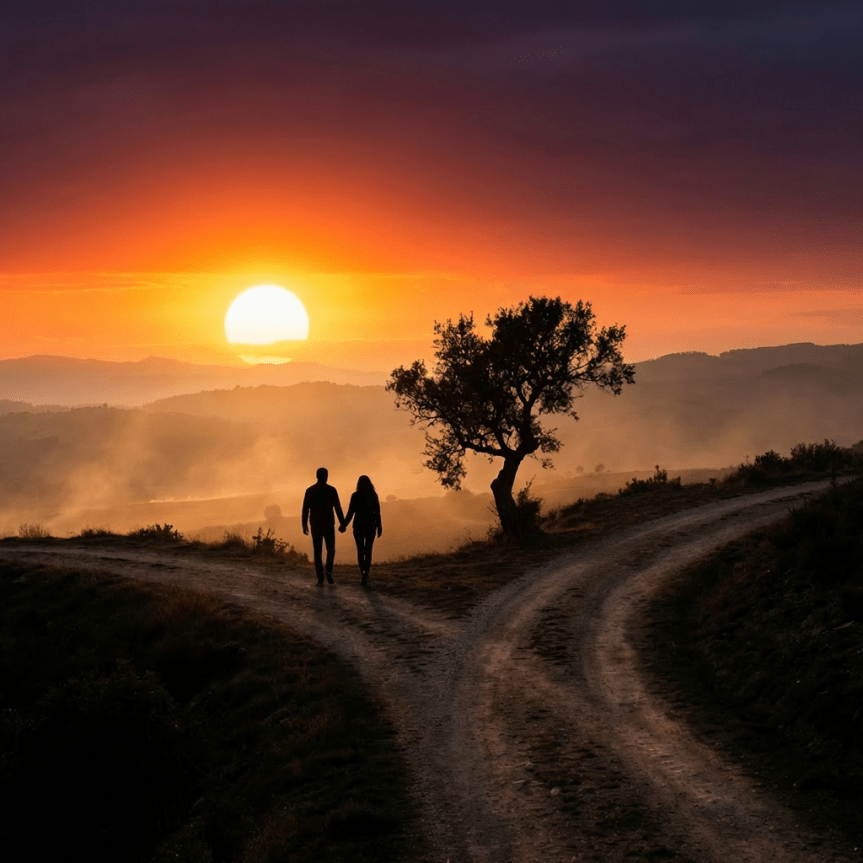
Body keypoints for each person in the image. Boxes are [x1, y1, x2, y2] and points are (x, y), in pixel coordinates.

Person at [301, 467, 345, 585]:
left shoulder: (310, 491)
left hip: (315, 525)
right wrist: (343, 523)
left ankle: (320, 578)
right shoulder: (331, 490)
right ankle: (329, 573)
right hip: (328, 524)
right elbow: (338, 508)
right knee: (331, 549)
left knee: (317, 551)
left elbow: (305, 509)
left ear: (317, 476)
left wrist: (304, 525)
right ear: (326, 476)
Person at [339, 474, 382, 586]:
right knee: (368, 550)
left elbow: (350, 513)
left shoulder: (355, 496)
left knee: (360, 550)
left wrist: (344, 525)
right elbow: (377, 513)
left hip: (358, 526)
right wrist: (379, 527)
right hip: (371, 526)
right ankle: (365, 573)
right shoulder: (373, 495)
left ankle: (362, 571)